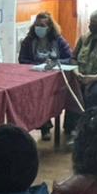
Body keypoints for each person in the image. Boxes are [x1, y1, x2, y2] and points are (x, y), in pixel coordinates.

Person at [18, 12, 74, 141]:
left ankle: (69, 127)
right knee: (39, 95)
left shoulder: (58, 40)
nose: (39, 28)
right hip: (35, 76)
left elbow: (70, 58)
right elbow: (22, 60)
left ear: (49, 27)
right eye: (37, 25)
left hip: (55, 76)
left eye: (42, 25)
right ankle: (44, 127)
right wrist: (39, 64)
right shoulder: (28, 40)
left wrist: (55, 63)